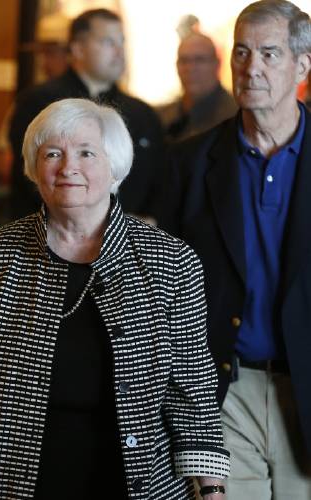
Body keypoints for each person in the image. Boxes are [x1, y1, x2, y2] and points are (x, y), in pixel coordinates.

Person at [0, 98, 229, 500]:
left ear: (115, 166)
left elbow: (192, 391)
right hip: (11, 484)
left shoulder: (172, 261)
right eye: (53, 153)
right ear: (35, 169)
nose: (68, 167)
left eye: (86, 153)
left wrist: (212, 491)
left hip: (137, 484)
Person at [159, 1, 311, 498]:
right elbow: (166, 295)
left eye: (269, 53)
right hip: (225, 391)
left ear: (302, 65)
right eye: (242, 53)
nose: (252, 68)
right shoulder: (189, 163)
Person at [9, 8, 165, 220]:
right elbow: (28, 177)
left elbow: (160, 182)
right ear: (78, 49)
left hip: (129, 242)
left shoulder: (143, 114)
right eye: (109, 43)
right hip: (51, 238)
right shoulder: (40, 102)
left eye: (122, 42)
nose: (119, 52)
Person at [157, 33, 238, 142]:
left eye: (199, 60)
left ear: (217, 64)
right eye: (184, 60)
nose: (190, 68)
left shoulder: (236, 117)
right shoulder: (162, 117)